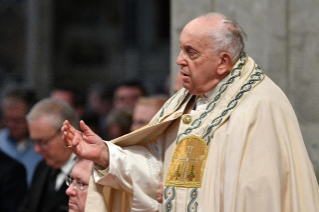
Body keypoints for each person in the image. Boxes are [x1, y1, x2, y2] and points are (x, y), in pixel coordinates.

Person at [62, 12, 319, 212]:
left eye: (191, 52)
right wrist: (107, 154)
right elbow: (157, 169)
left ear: (223, 62)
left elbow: (257, 198)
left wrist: (175, 195)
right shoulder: (184, 102)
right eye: (181, 48)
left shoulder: (259, 106)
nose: (179, 60)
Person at [19, 98, 79, 212]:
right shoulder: (42, 168)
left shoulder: (92, 173)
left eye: (43, 142)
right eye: (34, 142)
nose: (37, 149)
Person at [0, 85, 42, 186]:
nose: (11, 125)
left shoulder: (44, 147)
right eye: (7, 119)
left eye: (17, 120)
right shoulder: (1, 142)